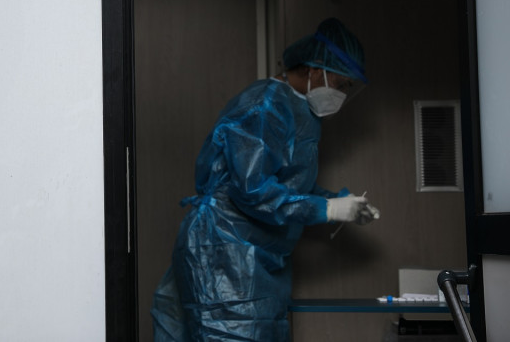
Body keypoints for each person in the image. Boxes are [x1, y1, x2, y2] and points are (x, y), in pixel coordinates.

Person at [151, 17, 379, 342]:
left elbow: (290, 185)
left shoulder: (302, 114)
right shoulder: (265, 105)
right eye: (341, 84)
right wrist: (327, 210)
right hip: (226, 248)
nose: (342, 94)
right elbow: (253, 190)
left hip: (256, 256)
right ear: (316, 71)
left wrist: (339, 202)